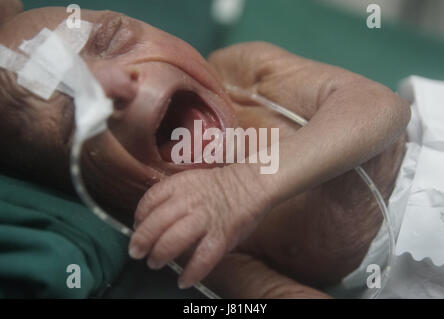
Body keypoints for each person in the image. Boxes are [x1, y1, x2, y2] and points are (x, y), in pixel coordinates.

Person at [0, 2, 410, 298]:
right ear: (90, 190)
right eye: (82, 118)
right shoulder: (186, 232)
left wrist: (243, 186)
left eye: (114, 41)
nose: (119, 84)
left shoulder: (244, 74)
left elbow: (380, 106)